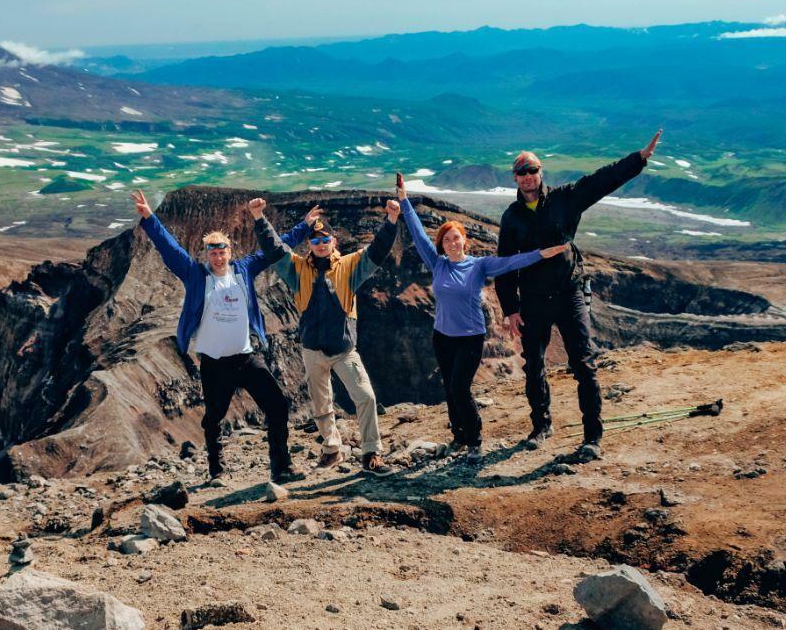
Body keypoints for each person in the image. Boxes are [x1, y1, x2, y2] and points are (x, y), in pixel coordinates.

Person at [132, 189, 322, 485]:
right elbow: (170, 250)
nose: (218, 257)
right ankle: (216, 469)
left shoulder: (244, 270)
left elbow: (276, 247)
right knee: (214, 417)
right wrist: (150, 218)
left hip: (246, 358)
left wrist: (306, 227)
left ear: (230, 252)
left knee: (277, 406)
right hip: (214, 364)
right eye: (213, 252)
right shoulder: (196, 274)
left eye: (222, 252)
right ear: (206, 254)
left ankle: (281, 467)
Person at [494, 130, 663, 462]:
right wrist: (511, 309)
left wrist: (638, 159)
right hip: (533, 300)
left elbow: (601, 181)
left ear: (540, 173)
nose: (528, 177)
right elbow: (504, 265)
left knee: (583, 365)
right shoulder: (511, 217)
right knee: (534, 366)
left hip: (569, 292)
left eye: (533, 171)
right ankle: (541, 427)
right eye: (521, 173)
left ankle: (592, 437)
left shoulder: (565, 198)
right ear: (515, 177)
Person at [396, 172, 568, 462]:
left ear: (465, 241)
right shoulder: (436, 263)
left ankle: (475, 439)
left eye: (457, 238)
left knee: (461, 387)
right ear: (442, 244)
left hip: (470, 338)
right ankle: (458, 436)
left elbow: (512, 261)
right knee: (450, 388)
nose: (452, 243)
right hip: (443, 337)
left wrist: (542, 253)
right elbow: (416, 233)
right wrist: (404, 201)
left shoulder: (478, 266)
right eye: (447, 240)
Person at [251, 194, 401, 476]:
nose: (320, 245)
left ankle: (371, 453)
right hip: (312, 350)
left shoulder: (349, 267)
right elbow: (274, 250)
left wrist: (391, 220)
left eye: (325, 240)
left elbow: (377, 251)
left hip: (344, 349)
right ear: (310, 244)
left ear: (334, 242)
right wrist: (260, 219)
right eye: (315, 241)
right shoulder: (297, 269)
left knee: (365, 397)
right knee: (321, 403)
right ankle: (332, 449)